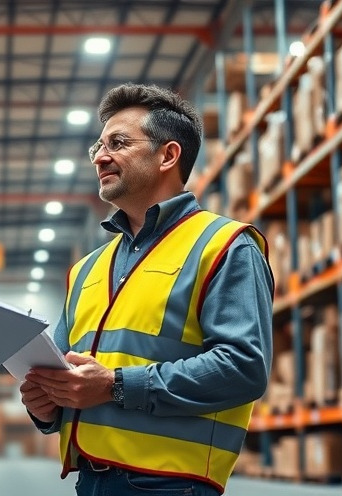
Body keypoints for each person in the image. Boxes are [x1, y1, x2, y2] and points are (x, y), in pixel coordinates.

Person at [20, 83, 274, 496]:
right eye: (97, 147)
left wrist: (117, 384)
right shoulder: (87, 270)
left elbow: (244, 367)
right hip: (90, 481)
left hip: (170, 485)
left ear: (168, 156)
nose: (101, 157)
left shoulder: (224, 245)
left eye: (118, 143)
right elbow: (67, 374)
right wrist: (46, 404)